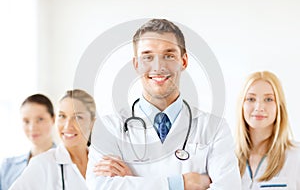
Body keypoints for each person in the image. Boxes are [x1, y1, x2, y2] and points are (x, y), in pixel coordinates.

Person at [87, 19, 241, 189]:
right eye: (148, 57)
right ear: (136, 64)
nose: (158, 66)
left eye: (169, 56)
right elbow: (100, 186)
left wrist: (134, 182)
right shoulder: (109, 127)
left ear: (183, 61)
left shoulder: (214, 128)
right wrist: (181, 184)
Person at [9, 89, 96, 190]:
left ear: (92, 122)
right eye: (62, 116)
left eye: (77, 117)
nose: (67, 126)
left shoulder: (105, 164)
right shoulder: (42, 164)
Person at [235, 71, 300, 189]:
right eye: (251, 99)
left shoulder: (296, 156)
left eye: (268, 99)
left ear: (279, 106)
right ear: (242, 105)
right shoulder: (226, 157)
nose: (259, 107)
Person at [0, 94, 56, 190]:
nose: (32, 128)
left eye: (40, 119)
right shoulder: (8, 166)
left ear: (53, 119)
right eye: (26, 121)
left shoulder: (70, 164)